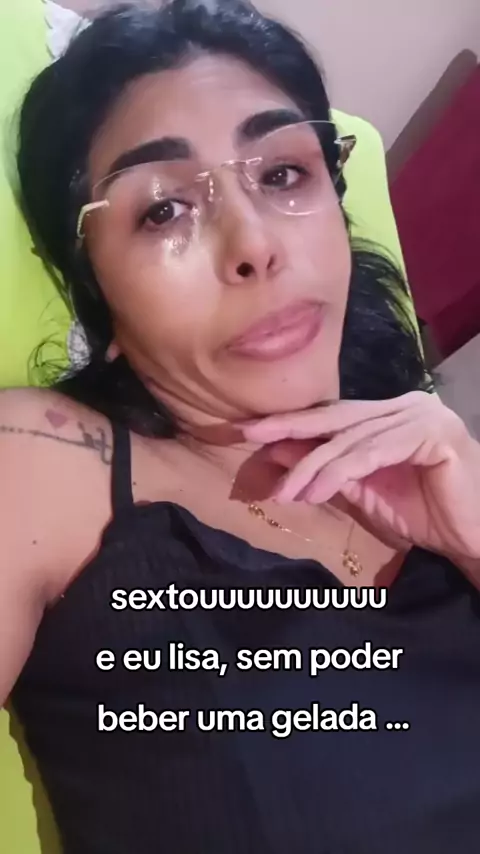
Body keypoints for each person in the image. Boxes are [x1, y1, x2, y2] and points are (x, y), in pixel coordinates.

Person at [2, 1, 480, 852]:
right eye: (162, 210)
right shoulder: (47, 462)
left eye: (285, 174)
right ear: (93, 284)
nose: (253, 243)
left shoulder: (436, 470)